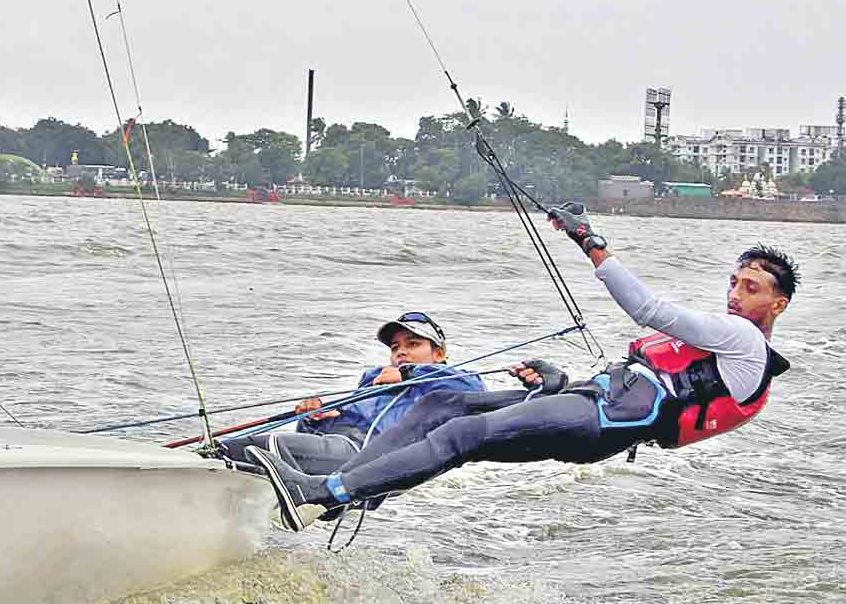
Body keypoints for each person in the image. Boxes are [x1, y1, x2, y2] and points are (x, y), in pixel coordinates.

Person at [247, 203, 798, 532]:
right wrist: (556, 380)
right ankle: (342, 490)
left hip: (604, 422)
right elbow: (634, 379)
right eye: (734, 281)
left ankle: (323, 494)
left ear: (777, 305)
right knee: (447, 402)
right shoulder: (727, 339)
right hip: (592, 403)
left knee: (463, 432)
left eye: (751, 288)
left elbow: (648, 310)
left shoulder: (745, 342)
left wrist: (590, 242)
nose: (735, 294)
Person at [218, 311, 485, 476]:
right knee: (236, 451)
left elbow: (474, 391)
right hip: (343, 448)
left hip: (377, 457)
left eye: (413, 344)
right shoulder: (375, 381)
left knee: (257, 447)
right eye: (395, 347)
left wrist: (410, 373)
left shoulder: (454, 382)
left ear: (438, 354)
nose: (401, 352)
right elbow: (327, 431)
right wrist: (317, 418)